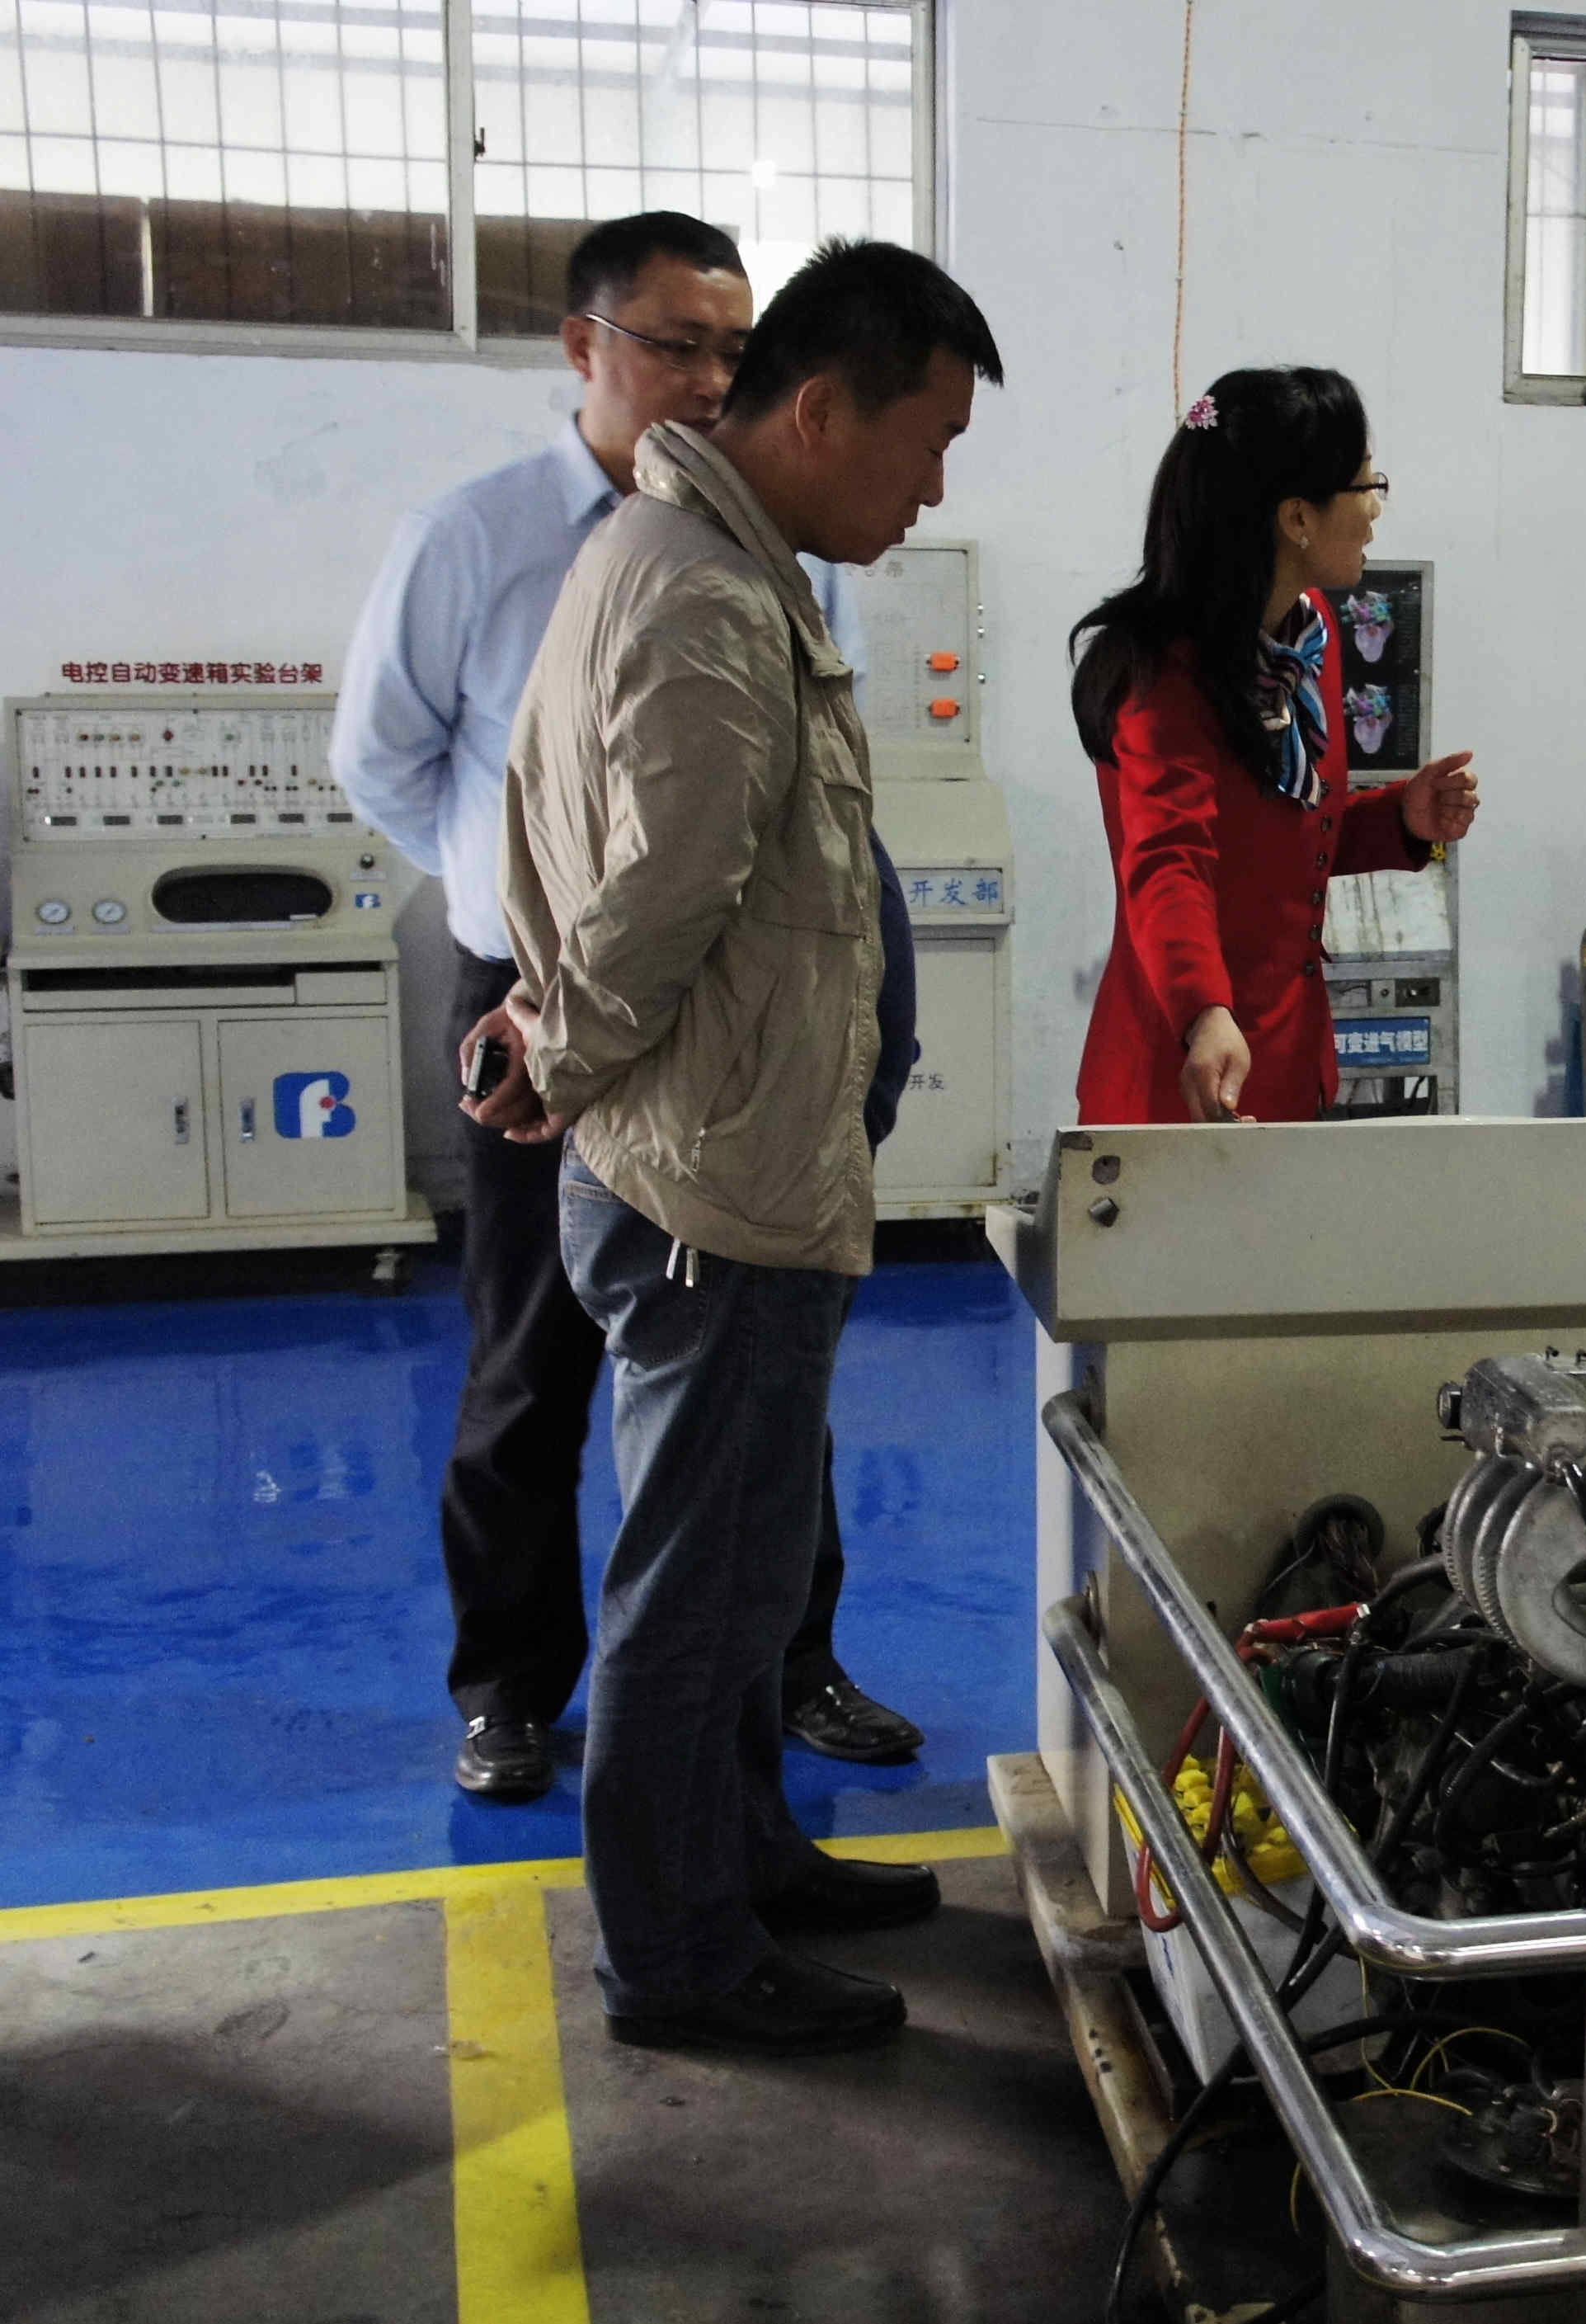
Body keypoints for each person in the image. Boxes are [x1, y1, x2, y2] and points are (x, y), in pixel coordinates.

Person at [470, 238, 1005, 2053]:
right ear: (823, 408)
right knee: (699, 1588)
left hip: (716, 1152)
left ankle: (744, 1854)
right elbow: (660, 892)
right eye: (928, 441)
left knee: (745, 1568)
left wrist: (552, 1035)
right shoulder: (703, 594)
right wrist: (557, 1046)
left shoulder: (687, 557)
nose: (933, 488)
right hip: (708, 1176)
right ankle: (680, 1954)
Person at [333, 210, 924, 1804]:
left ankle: (788, 1663)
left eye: (735, 346)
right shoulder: (479, 538)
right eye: (678, 344)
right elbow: (385, 757)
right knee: (535, 1357)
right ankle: (511, 1689)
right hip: (546, 1000)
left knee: (759, 1345)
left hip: (726, 1008)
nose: (713, 375)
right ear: (583, 346)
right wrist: (519, 910)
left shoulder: (777, 541)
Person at [1071, 366, 1480, 1125]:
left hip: (1286, 1059)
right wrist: (1203, 1012)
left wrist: (1400, 818)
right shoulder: (1160, 673)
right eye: (1366, 485)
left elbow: (1282, 838)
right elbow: (1168, 861)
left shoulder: (1306, 636)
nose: (1376, 509)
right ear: (1297, 517)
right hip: (1186, 1074)